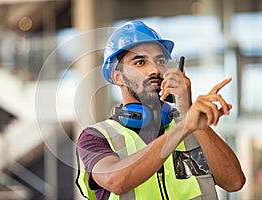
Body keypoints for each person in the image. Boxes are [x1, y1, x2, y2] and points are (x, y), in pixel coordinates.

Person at [76, 20, 245, 200]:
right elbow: (116, 181)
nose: (155, 69)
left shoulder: (191, 127)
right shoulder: (96, 137)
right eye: (140, 62)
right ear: (118, 77)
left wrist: (187, 113)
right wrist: (185, 126)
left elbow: (234, 182)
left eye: (160, 60)